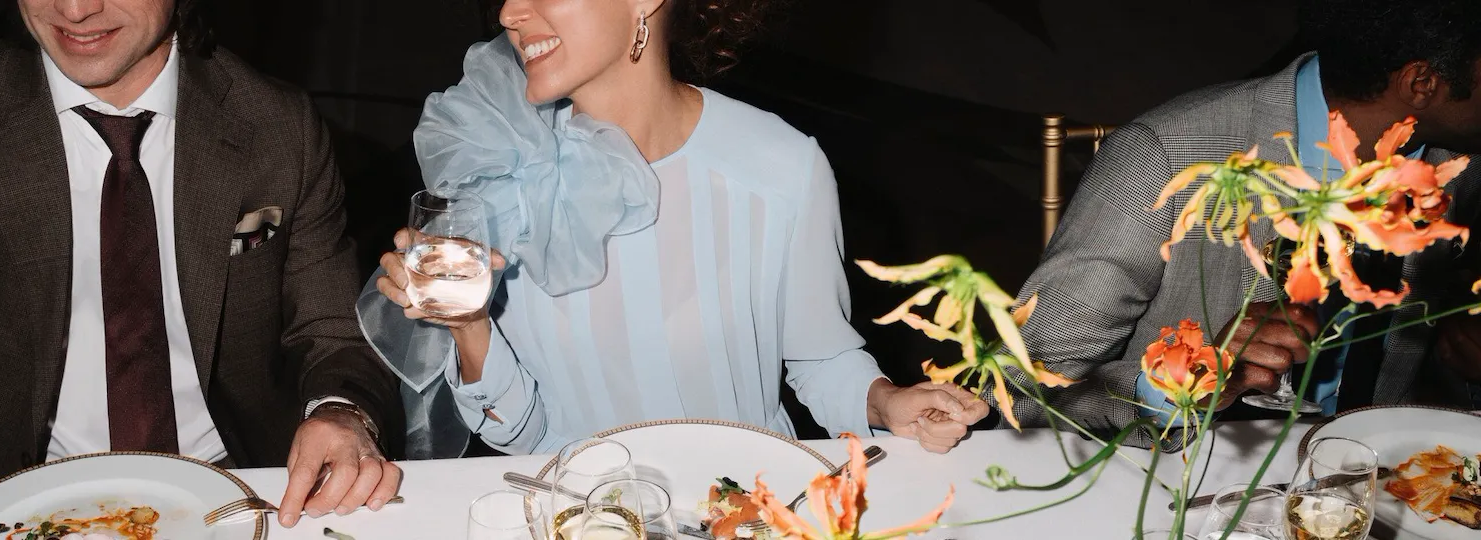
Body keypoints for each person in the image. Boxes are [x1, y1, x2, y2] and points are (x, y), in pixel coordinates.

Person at [358, 0, 990, 456]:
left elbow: (819, 355)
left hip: (746, 511)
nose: (509, 12)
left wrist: (885, 403)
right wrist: (469, 328)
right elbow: (523, 435)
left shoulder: (781, 166)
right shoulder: (501, 174)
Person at [0, 0, 402, 528]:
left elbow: (332, 329)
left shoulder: (279, 127)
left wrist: (342, 413)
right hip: (0, 499)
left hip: (236, 492)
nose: (75, 10)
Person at [1007, 0, 1481, 446]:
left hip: (1395, 470)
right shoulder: (1164, 154)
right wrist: (1188, 379)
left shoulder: (1462, 164)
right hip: (1195, 470)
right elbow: (1022, 384)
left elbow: (1425, 331)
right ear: (1422, 84)